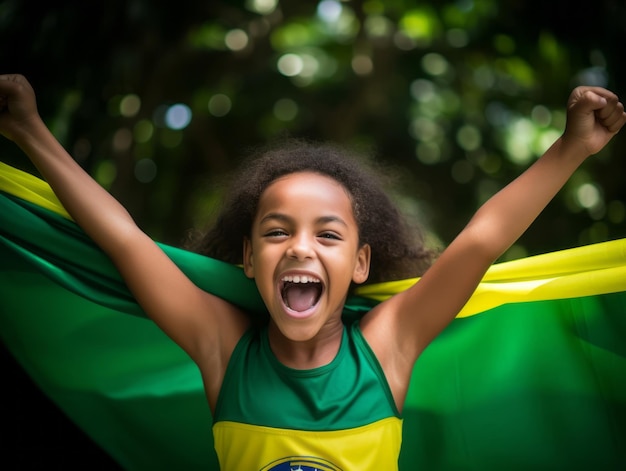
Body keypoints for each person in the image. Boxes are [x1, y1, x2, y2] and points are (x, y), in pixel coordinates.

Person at [0, 74, 623, 470]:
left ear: (360, 264)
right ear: (248, 259)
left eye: (327, 235)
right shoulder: (224, 350)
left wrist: (571, 148)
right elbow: (124, 241)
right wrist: (28, 130)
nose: (300, 248)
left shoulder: (388, 348)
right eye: (277, 232)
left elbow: (482, 240)